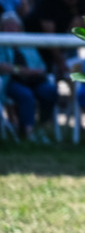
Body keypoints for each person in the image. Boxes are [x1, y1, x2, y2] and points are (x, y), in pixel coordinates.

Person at [0, 11, 58, 141]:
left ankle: (41, 126)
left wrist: (36, 71)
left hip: (34, 80)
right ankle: (28, 133)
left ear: (19, 28)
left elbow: (41, 65)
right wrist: (19, 70)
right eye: (7, 26)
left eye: (14, 26)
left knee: (50, 91)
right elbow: (2, 66)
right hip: (10, 81)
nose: (11, 29)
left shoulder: (28, 43)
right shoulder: (1, 44)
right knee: (26, 95)